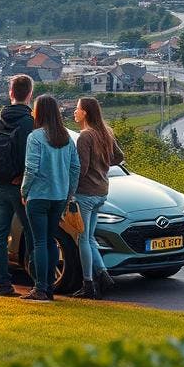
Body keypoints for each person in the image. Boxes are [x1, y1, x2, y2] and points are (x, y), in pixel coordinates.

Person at [20, 94, 80, 302]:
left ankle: (40, 288)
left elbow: (31, 169)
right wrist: (69, 193)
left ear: (40, 111)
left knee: (39, 242)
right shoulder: (66, 138)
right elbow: (75, 168)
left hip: (38, 196)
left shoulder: (35, 137)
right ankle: (50, 287)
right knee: (51, 241)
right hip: (59, 196)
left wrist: (24, 191)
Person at [0, 74, 35, 297]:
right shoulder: (31, 123)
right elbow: (32, 157)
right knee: (32, 235)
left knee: (0, 236)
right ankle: (37, 282)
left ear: (10, 93)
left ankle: (3, 285)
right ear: (30, 94)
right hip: (22, 187)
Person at [72, 96, 125, 299]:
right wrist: (102, 166)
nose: (74, 112)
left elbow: (81, 169)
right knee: (90, 237)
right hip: (102, 191)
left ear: (85, 112)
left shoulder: (85, 137)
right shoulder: (105, 132)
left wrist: (70, 191)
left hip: (85, 194)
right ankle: (103, 274)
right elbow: (118, 157)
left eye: (77, 109)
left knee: (83, 238)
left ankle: (88, 283)